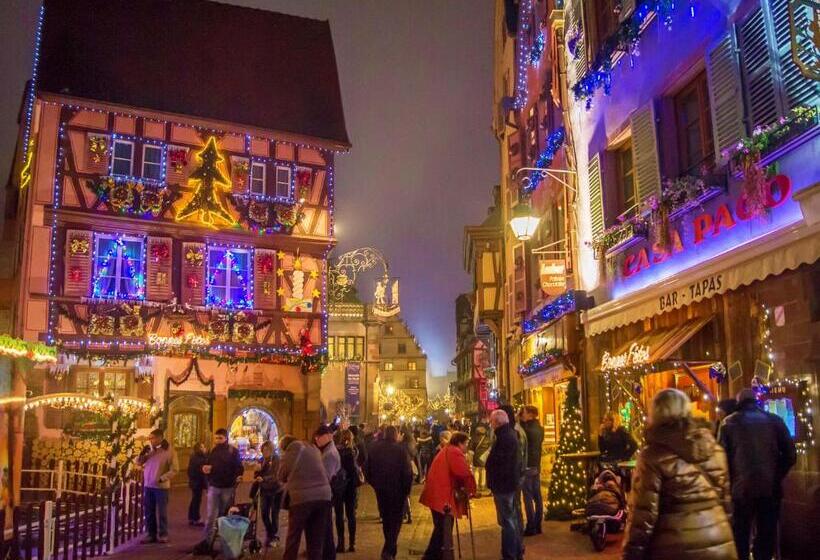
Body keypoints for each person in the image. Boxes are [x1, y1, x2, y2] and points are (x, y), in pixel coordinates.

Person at [622, 389, 736, 560]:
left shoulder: (652, 456)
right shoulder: (714, 450)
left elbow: (643, 517)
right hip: (719, 540)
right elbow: (726, 505)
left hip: (674, 547)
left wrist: (631, 554)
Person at [719, 388, 797, 560]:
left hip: (740, 491)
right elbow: (791, 455)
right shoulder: (775, 421)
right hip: (770, 489)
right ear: (756, 402)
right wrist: (776, 475)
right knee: (766, 536)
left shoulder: (728, 423)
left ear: (739, 403)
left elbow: (721, 460)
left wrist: (730, 483)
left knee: (741, 537)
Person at [419, 432, 476, 560]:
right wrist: (471, 487)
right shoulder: (454, 452)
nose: (467, 446)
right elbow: (462, 473)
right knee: (442, 530)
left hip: (437, 493)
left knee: (441, 528)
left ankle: (436, 555)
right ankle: (432, 556)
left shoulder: (448, 450)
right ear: (460, 443)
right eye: (466, 443)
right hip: (442, 495)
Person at [278, 435, 333, 560]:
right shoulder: (313, 448)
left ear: (284, 447)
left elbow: (281, 475)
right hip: (324, 496)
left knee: (294, 537)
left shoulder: (290, 452)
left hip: (302, 499)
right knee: (316, 538)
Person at [365, 425, 413, 560]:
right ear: (396, 435)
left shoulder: (374, 448)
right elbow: (407, 472)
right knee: (396, 520)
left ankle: (389, 548)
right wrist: (407, 490)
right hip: (398, 491)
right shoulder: (401, 450)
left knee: (386, 519)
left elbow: (366, 468)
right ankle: (389, 549)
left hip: (381, 490)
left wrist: (374, 483)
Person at [194, 428, 244, 553]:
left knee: (224, 516)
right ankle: (207, 542)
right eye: (216, 438)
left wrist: (237, 477)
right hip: (214, 486)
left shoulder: (233, 451)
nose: (218, 440)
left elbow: (239, 467)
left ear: (226, 438)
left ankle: (224, 543)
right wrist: (205, 470)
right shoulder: (212, 451)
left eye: (220, 438)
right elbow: (207, 465)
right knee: (211, 515)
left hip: (227, 487)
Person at [485, 409, 523, 560]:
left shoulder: (504, 438)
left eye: (492, 422)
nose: (490, 424)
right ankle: (515, 551)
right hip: (508, 483)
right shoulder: (508, 435)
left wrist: (489, 464)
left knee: (508, 521)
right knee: (510, 519)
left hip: (503, 485)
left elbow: (498, 462)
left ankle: (511, 554)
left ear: (497, 422)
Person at [136, 428, 178, 544]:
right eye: (149, 438)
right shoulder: (150, 450)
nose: (150, 440)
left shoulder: (169, 451)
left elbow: (175, 469)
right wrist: (142, 454)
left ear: (160, 438)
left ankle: (163, 534)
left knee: (162, 512)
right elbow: (139, 463)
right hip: (148, 485)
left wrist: (162, 478)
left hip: (161, 487)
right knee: (149, 511)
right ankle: (151, 534)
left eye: (152, 438)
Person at [315, 425, 341, 560]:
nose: (316, 440)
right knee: (325, 527)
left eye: (318, 437)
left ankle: (328, 555)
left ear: (326, 436)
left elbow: (325, 476)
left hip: (325, 495)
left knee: (326, 528)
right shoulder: (328, 450)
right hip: (326, 494)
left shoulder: (329, 453)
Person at [519, 405, 544, 536]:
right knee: (538, 497)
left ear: (530, 414)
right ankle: (538, 524)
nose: (522, 415)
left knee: (528, 497)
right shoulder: (540, 428)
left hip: (528, 466)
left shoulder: (526, 429)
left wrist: (521, 422)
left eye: (524, 413)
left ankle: (531, 526)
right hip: (536, 465)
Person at [334, 429, 360, 553]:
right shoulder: (353, 451)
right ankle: (352, 543)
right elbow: (354, 470)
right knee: (351, 516)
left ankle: (340, 543)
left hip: (338, 487)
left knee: (339, 516)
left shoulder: (336, 452)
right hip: (350, 487)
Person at [253, 441, 283, 547]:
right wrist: (256, 471)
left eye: (266, 450)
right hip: (265, 490)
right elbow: (257, 476)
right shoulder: (262, 460)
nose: (264, 452)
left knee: (274, 514)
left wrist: (263, 478)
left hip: (276, 491)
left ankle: (273, 534)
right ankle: (271, 533)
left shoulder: (277, 459)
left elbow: (276, 476)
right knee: (264, 513)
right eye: (263, 450)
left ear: (271, 450)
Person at [187, 442, 208, 527]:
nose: (204, 448)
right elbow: (202, 473)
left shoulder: (194, 457)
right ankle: (196, 518)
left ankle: (191, 517)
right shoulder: (201, 459)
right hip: (197, 482)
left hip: (194, 481)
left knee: (194, 499)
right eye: (203, 447)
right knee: (197, 500)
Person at [469, 423, 491, 496]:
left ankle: (476, 484)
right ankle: (483, 485)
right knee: (483, 471)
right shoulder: (488, 439)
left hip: (476, 457)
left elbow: (471, 450)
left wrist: (470, 459)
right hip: (484, 457)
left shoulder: (474, 439)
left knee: (476, 470)